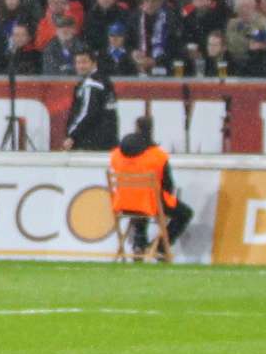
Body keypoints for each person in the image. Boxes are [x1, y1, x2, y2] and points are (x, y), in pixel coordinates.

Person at [107, 117, 192, 261]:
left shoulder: (116, 154)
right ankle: (160, 248)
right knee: (184, 213)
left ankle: (138, 245)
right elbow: (168, 184)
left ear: (135, 128)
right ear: (151, 130)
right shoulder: (158, 155)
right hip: (148, 203)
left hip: (123, 203)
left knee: (138, 206)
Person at [62, 50, 118, 149]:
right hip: (107, 139)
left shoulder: (91, 84)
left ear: (94, 63)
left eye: (84, 62)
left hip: (91, 141)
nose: (80, 66)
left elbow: (88, 112)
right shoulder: (104, 80)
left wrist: (72, 135)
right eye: (78, 62)